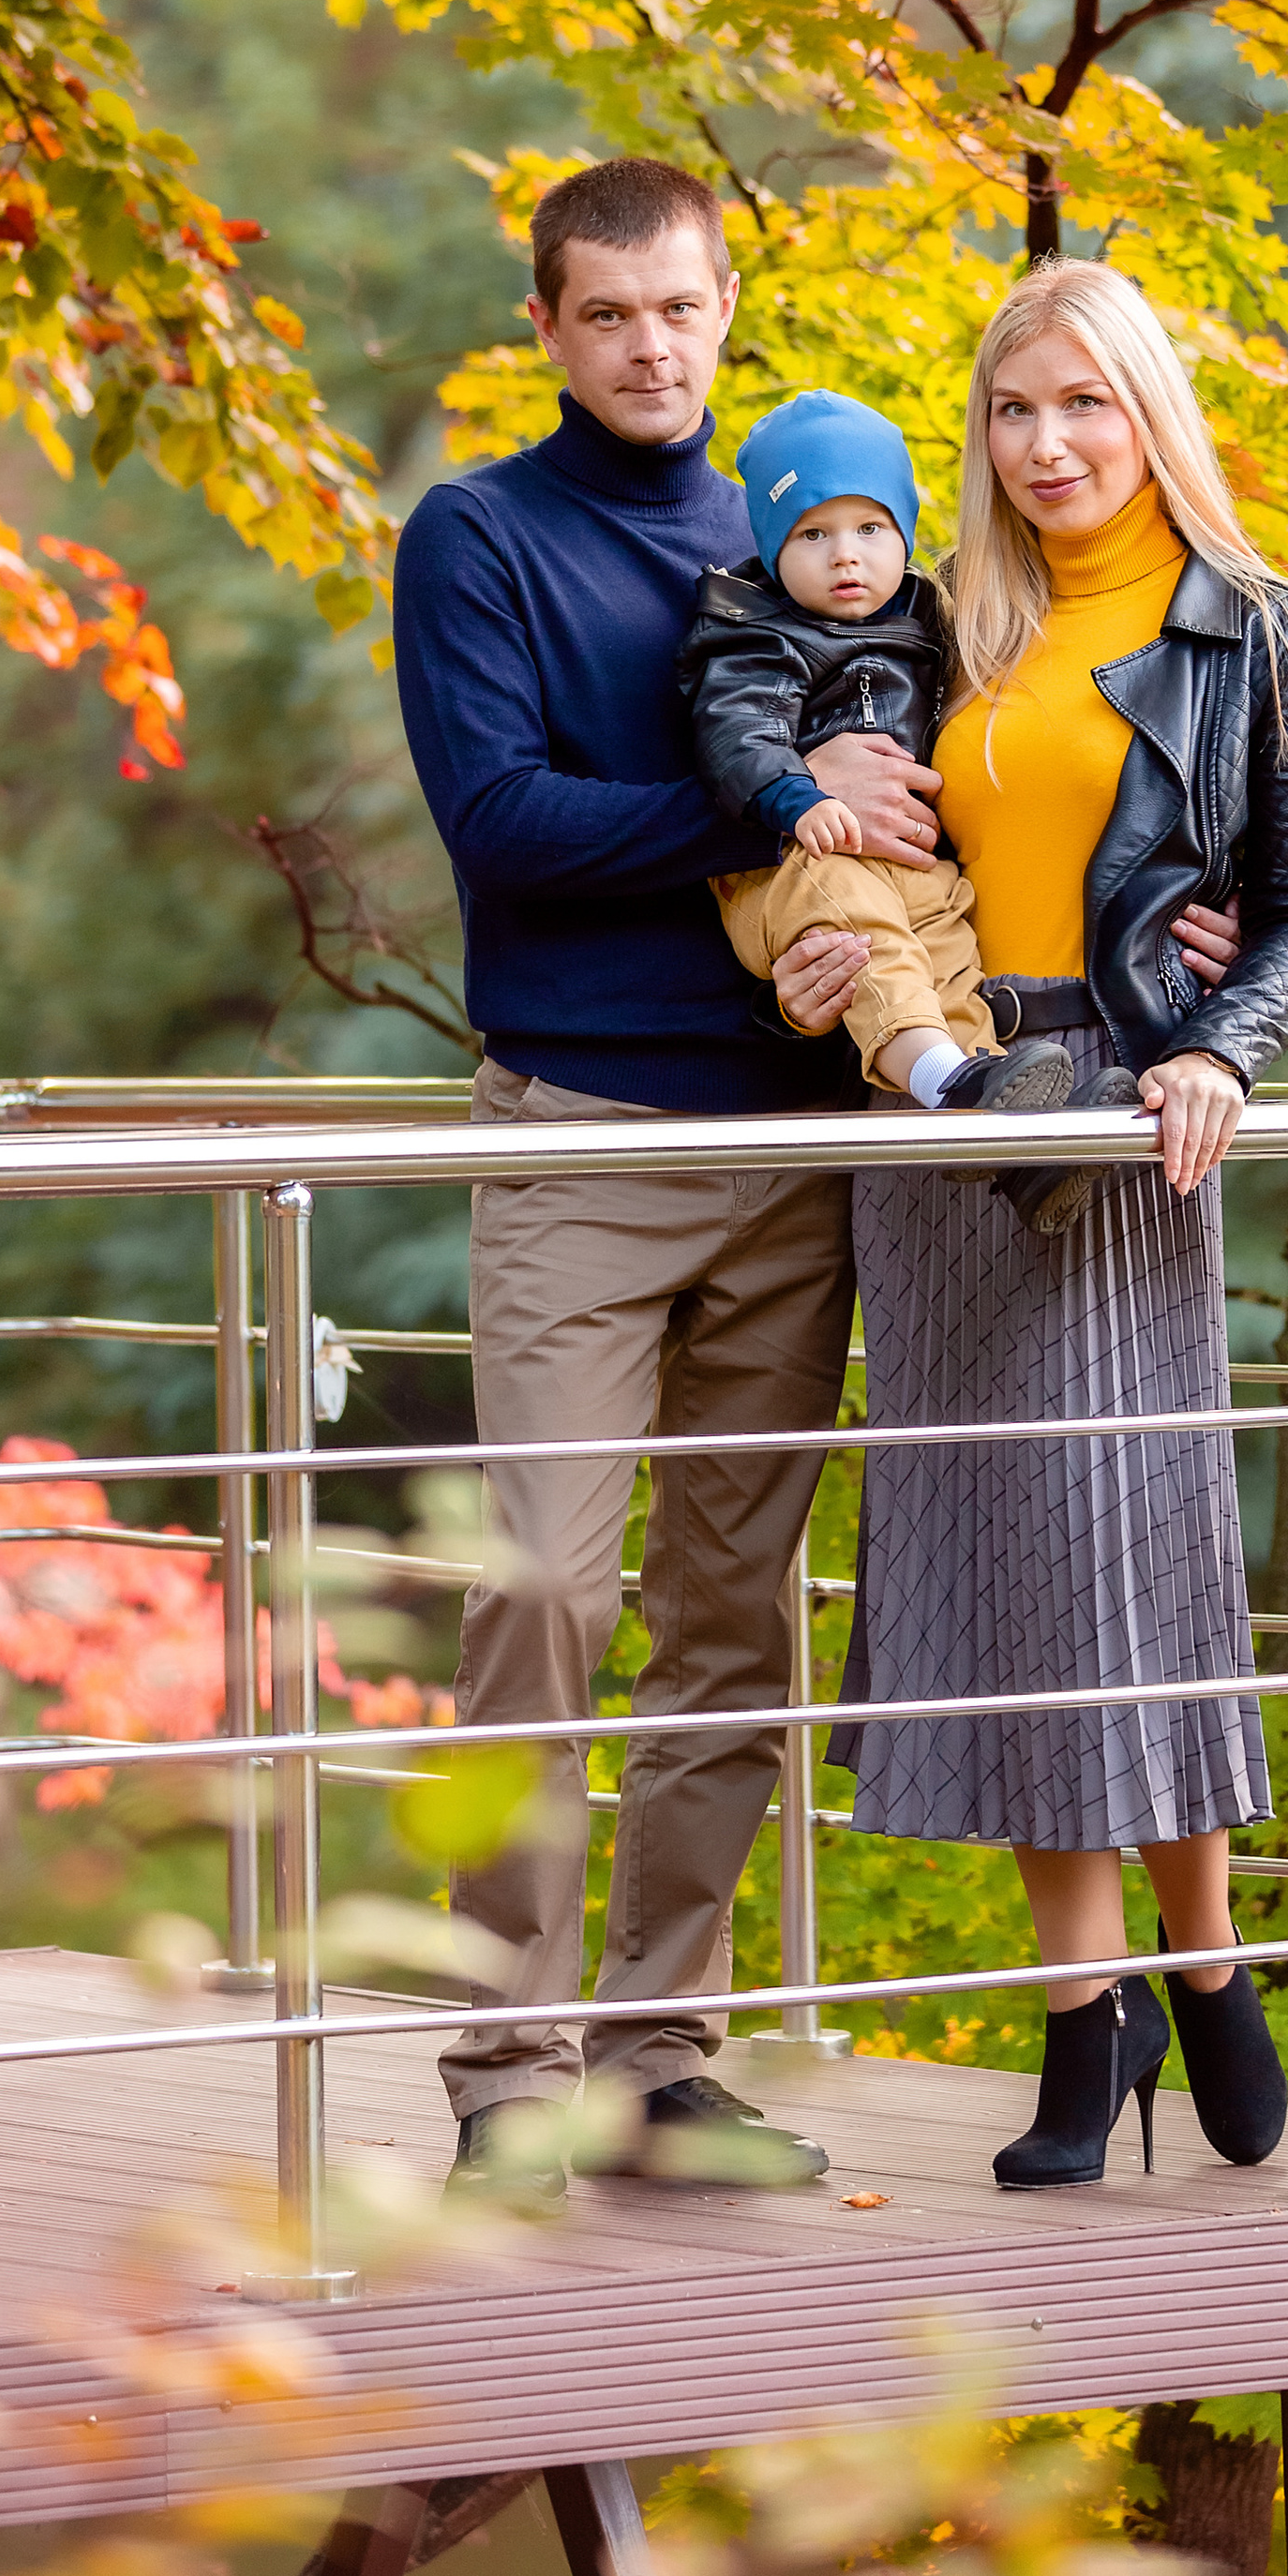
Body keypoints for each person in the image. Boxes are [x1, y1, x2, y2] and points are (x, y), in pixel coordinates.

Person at [391, 156, 942, 2197]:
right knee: (542, 1587)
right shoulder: (481, 537)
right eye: (603, 312)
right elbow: (506, 819)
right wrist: (767, 819)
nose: (645, 346)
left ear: (728, 309)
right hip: (585, 1145)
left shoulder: (806, 541)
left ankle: (659, 2050)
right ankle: (503, 2064)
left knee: (734, 1618)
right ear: (543, 325)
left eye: (678, 309)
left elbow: (948, 798)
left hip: (792, 1145)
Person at [812, 260, 1288, 2191]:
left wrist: (1215, 1042)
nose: (1042, 447)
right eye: (1009, 413)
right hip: (946, 1121)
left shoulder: (1270, 634)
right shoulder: (952, 633)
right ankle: (1078, 2018)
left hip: (1126, 1131)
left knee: (1125, 1558)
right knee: (991, 1571)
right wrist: (816, 781)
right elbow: (826, 793)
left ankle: (1202, 1961)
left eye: (1079, 406)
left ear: (1145, 411)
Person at [676, 386, 1081, 1151]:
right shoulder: (755, 633)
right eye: (812, 535)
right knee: (874, 946)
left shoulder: (928, 617)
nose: (846, 555)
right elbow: (737, 732)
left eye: (870, 526)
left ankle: (1001, 1111)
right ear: (770, 548)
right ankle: (941, 1084)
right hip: (795, 863)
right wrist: (794, 794)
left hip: (905, 858)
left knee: (952, 952)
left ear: (904, 532)